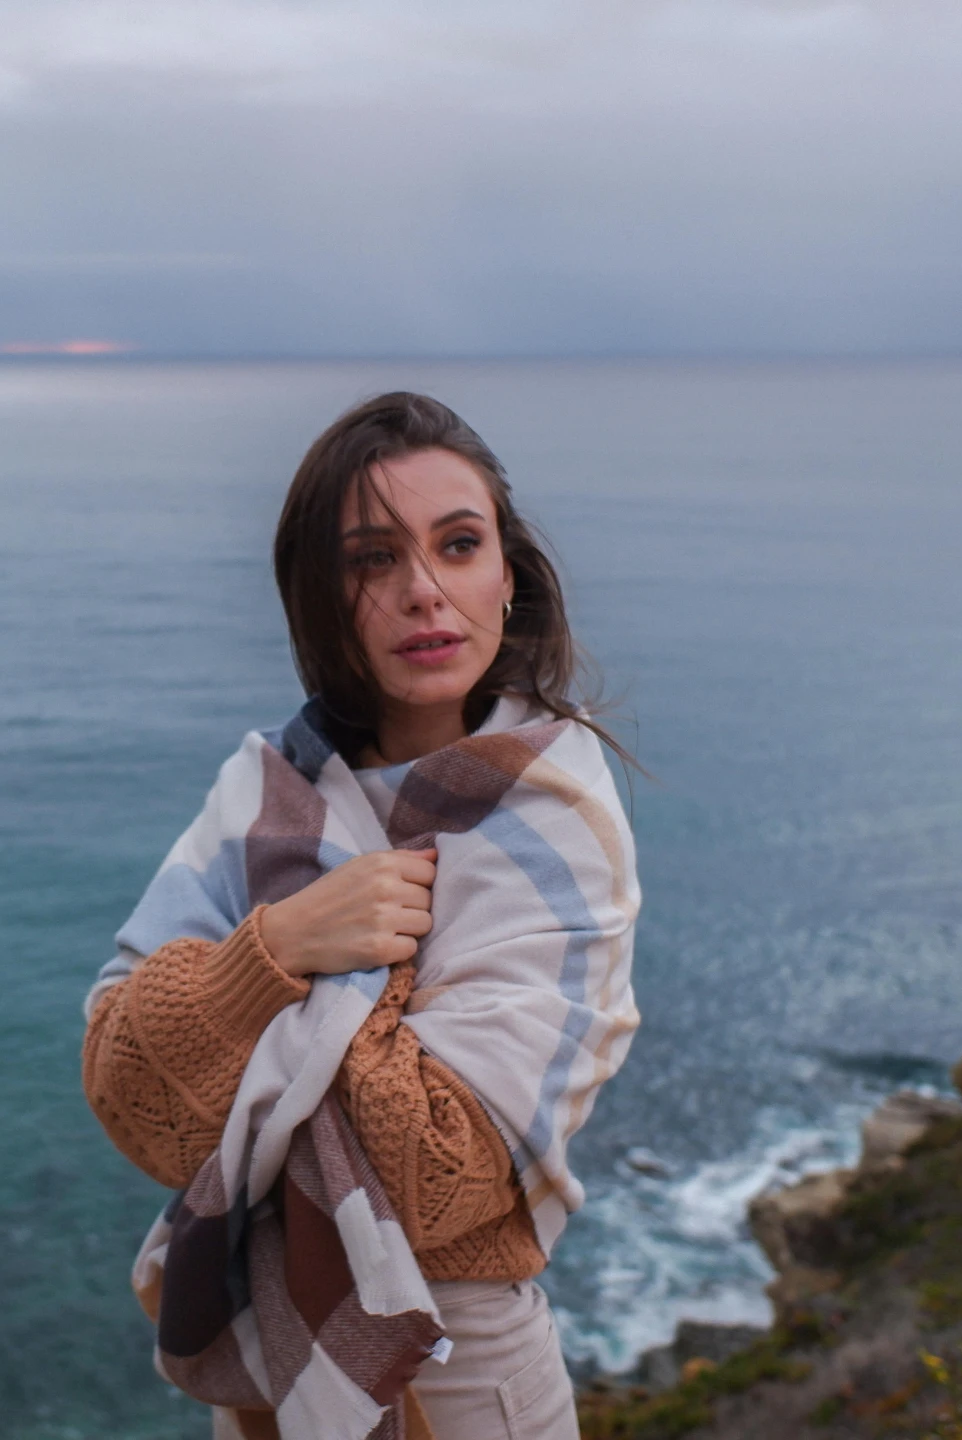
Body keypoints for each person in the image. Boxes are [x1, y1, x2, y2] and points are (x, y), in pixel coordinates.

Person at [82, 392, 640, 1440]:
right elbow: (122, 1085)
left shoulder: (556, 823)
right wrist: (283, 946)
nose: (424, 591)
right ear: (320, 598)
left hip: (465, 1378)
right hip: (263, 1380)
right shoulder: (265, 792)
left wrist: (259, 1039)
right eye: (371, 560)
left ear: (507, 575)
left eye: (458, 545)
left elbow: (442, 1172)